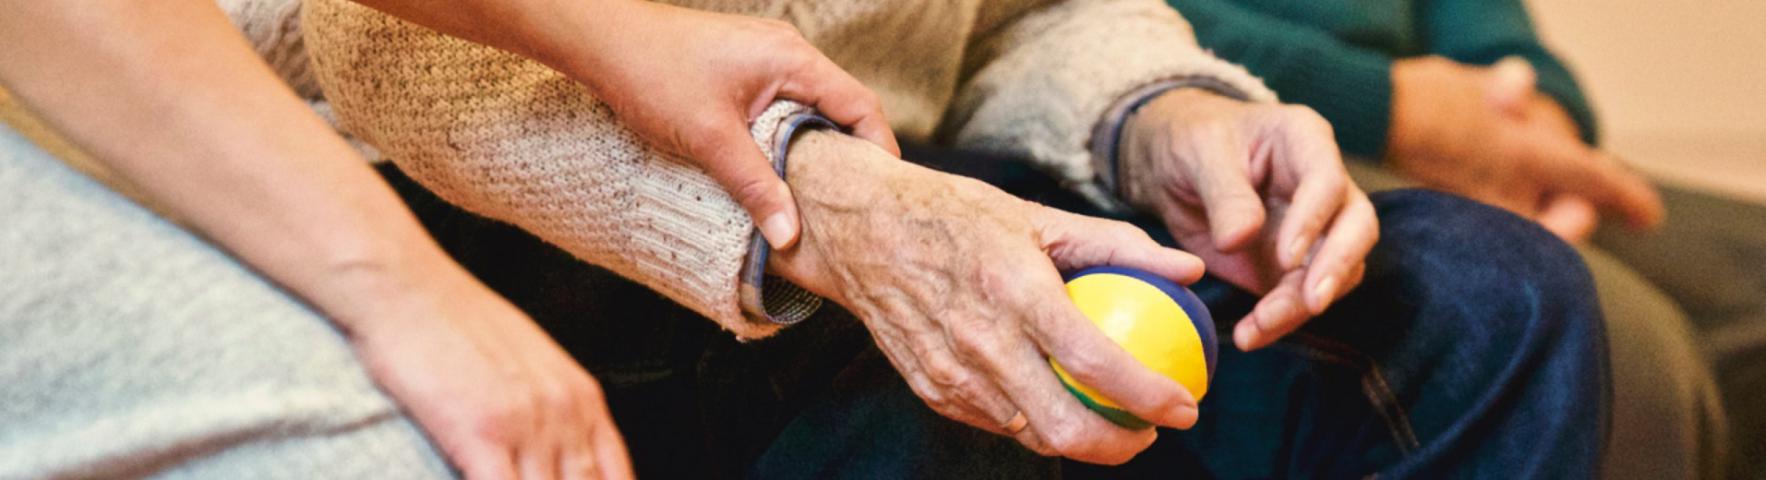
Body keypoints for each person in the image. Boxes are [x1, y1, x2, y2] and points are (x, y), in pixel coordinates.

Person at [0, 2, 1604, 480]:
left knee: (1488, 303)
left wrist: (1162, 115)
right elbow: (352, 42)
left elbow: (1014, 11)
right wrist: (806, 200)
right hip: (581, 234)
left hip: (925, 177)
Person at [1161, 0, 1763, 476]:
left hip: (1462, 117)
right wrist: (1390, 107)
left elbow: (1487, 22)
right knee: (1607, 334)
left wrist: (1541, 112)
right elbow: (1086, 25)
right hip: (1234, 123)